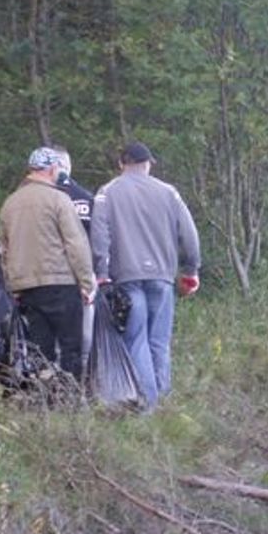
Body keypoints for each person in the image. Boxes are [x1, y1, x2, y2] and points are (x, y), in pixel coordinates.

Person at [90, 141, 201, 410]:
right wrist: (191, 270)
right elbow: (189, 233)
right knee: (159, 342)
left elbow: (99, 236)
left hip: (125, 278)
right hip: (162, 278)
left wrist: (101, 273)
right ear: (148, 164)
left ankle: (145, 407)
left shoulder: (107, 193)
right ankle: (162, 403)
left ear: (121, 164)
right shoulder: (169, 193)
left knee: (135, 340)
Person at [0, 147, 96, 382]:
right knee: (71, 347)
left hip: (28, 288)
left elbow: (4, 250)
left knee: (40, 350)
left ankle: (43, 397)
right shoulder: (59, 199)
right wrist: (86, 282)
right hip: (61, 283)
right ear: (53, 169)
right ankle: (68, 400)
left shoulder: (10, 203)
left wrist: (13, 286)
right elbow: (76, 243)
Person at [52, 146, 96, 370]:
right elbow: (93, 242)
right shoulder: (86, 198)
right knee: (82, 337)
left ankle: (50, 387)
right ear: (68, 167)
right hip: (80, 276)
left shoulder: (28, 198)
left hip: (44, 277)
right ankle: (80, 387)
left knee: (49, 337)